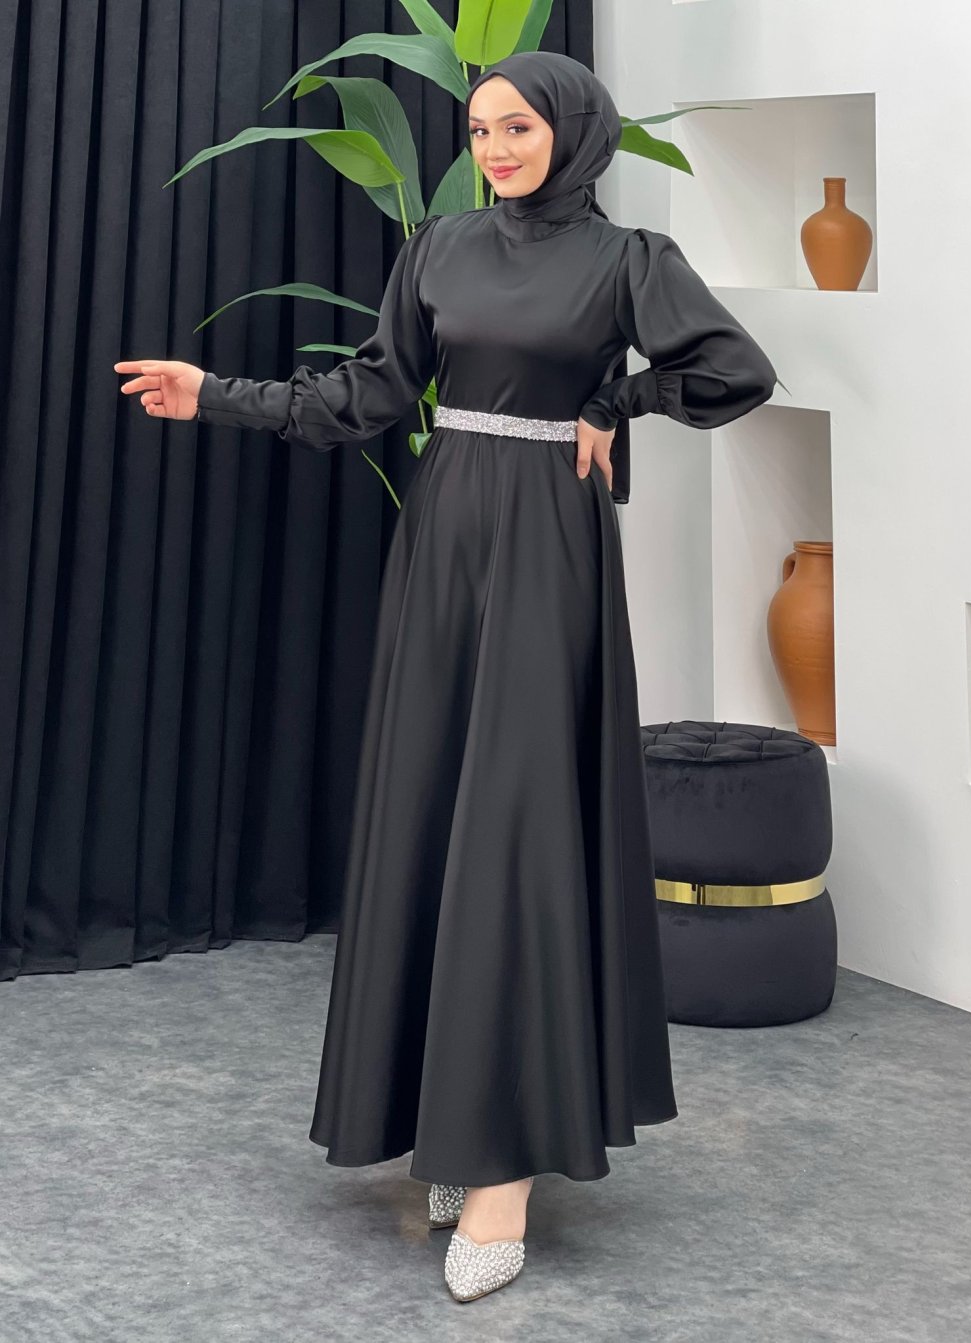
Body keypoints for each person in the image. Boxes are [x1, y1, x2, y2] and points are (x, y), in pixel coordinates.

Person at [115, 50, 777, 1304]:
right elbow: (368, 393)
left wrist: (617, 398)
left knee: (517, 834)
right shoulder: (440, 248)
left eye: (516, 127)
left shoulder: (627, 261)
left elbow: (734, 369)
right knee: (433, 814)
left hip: (547, 553)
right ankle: (447, 1115)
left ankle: (502, 1171)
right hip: (444, 543)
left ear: (571, 130)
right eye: (477, 130)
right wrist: (215, 397)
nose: (494, 149)